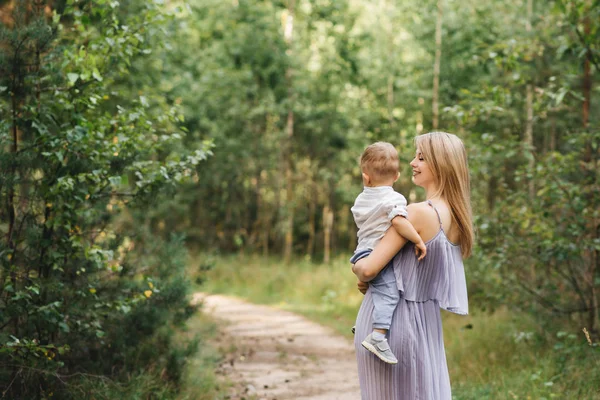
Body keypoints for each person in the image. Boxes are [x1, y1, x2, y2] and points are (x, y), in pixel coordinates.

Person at [352, 131, 473, 399]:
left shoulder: (417, 213)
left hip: (392, 323)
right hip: (427, 324)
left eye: (420, 158)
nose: (411, 163)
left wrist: (357, 270)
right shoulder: (456, 216)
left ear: (440, 165)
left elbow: (369, 268)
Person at [350, 142, 427, 365]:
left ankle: (365, 324)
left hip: (361, 251)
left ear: (366, 178)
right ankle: (378, 336)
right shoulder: (393, 199)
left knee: (376, 289)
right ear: (396, 177)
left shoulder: (362, 198)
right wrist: (418, 239)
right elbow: (399, 223)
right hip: (376, 253)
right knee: (390, 293)